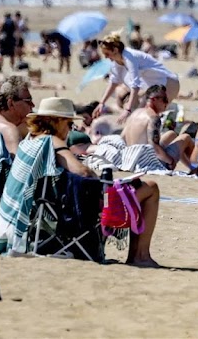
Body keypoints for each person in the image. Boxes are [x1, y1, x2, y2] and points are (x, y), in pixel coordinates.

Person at [26, 97, 161, 267]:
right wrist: (102, 182)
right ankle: (140, 256)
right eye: (69, 124)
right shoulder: (52, 141)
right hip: (71, 210)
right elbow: (83, 172)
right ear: (57, 121)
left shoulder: (31, 141)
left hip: (46, 209)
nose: (70, 129)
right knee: (151, 188)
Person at [94, 34, 180, 124]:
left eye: (107, 54)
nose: (106, 57)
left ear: (115, 50)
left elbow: (135, 85)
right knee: (139, 116)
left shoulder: (130, 57)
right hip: (154, 88)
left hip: (168, 83)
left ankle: (172, 114)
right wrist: (101, 103)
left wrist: (128, 109)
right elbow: (114, 81)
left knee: (145, 116)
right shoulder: (117, 62)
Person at [121, 85, 194, 171]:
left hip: (131, 160)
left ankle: (191, 167)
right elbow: (154, 147)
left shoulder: (134, 113)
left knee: (171, 134)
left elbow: (122, 137)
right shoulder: (153, 117)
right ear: (154, 99)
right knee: (186, 137)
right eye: (164, 100)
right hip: (148, 163)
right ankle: (197, 168)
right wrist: (170, 161)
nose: (167, 103)